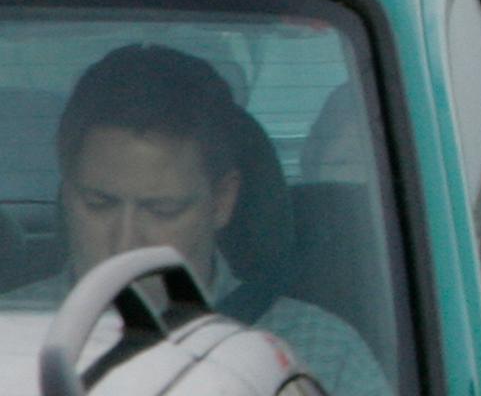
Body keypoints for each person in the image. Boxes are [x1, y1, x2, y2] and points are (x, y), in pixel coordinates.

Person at [6, 47, 388, 396]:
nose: (125, 242)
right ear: (66, 191)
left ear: (222, 201)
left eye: (162, 211)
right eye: (98, 204)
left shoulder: (317, 351)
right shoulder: (11, 335)